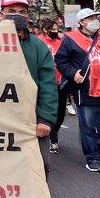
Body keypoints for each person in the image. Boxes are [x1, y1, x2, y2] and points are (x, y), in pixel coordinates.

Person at [54, 8, 100, 173]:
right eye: (90, 18)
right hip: (86, 90)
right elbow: (60, 60)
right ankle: (92, 157)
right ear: (81, 22)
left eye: (96, 17)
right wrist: (73, 73)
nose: (95, 20)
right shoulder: (70, 39)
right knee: (88, 125)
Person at [2, 0, 58, 167]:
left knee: (38, 167)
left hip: (32, 121)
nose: (17, 15)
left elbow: (48, 84)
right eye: (11, 11)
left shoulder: (39, 47)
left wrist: (45, 119)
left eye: (22, 12)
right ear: (1, 14)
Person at [37, 18, 67, 155]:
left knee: (60, 113)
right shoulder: (38, 42)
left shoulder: (60, 43)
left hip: (60, 82)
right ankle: (52, 137)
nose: (55, 32)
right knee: (47, 109)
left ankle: (54, 130)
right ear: (45, 30)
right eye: (53, 29)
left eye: (57, 29)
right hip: (44, 83)